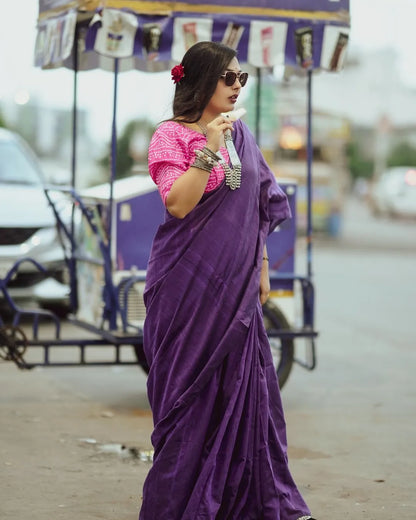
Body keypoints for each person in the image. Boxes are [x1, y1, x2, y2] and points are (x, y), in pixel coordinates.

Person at [140, 41, 315, 520]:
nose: (238, 86)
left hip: (235, 288)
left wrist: (260, 265)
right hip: (185, 287)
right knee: (187, 399)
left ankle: (245, 501)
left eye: (242, 79)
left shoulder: (242, 136)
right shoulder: (171, 137)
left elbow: (256, 206)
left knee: (246, 393)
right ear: (201, 80)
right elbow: (178, 204)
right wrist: (210, 149)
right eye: (230, 78)